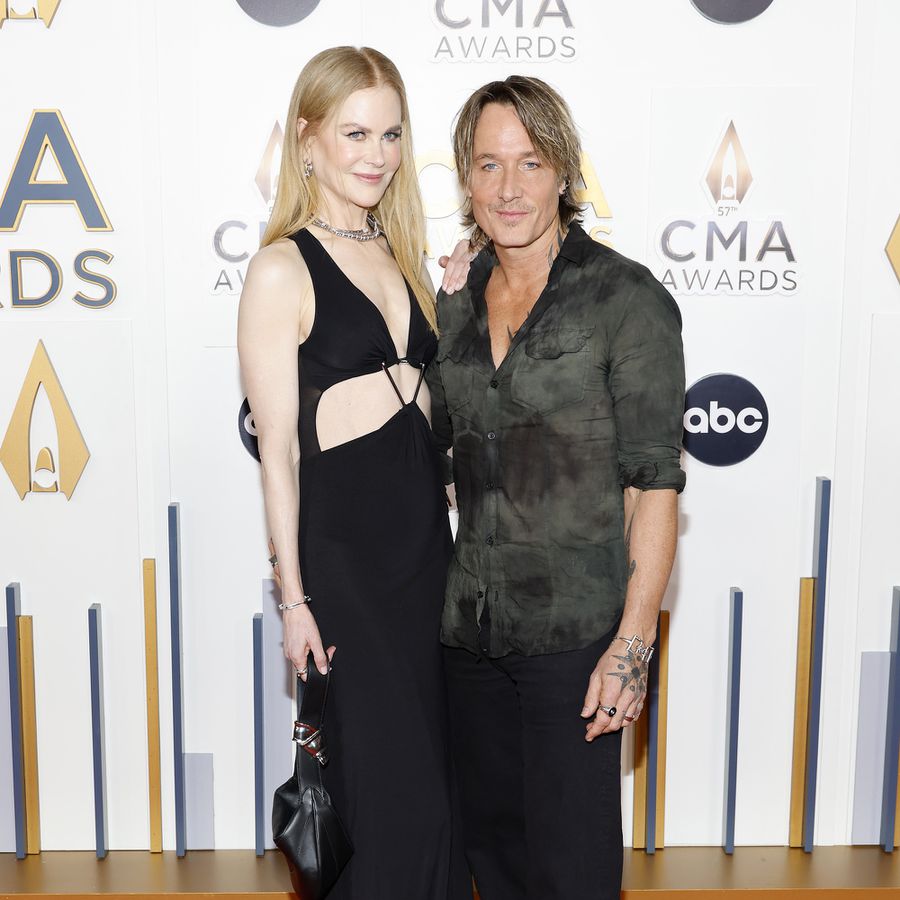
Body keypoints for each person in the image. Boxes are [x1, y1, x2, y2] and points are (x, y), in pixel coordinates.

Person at [426, 75, 687, 900]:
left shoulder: (626, 299)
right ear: (466, 180)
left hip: (576, 638)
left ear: (564, 172)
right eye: (489, 164)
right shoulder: (453, 303)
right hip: (468, 634)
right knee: (492, 860)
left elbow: (654, 484)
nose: (509, 188)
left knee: (570, 871)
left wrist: (633, 647)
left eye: (530, 163)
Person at [237, 46, 470, 900]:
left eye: (392, 134)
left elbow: (441, 418)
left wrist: (459, 313)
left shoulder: (409, 255)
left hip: (425, 561)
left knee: (440, 805)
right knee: (385, 807)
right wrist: (294, 600)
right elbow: (279, 456)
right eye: (355, 132)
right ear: (308, 140)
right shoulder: (279, 270)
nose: (376, 154)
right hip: (346, 570)